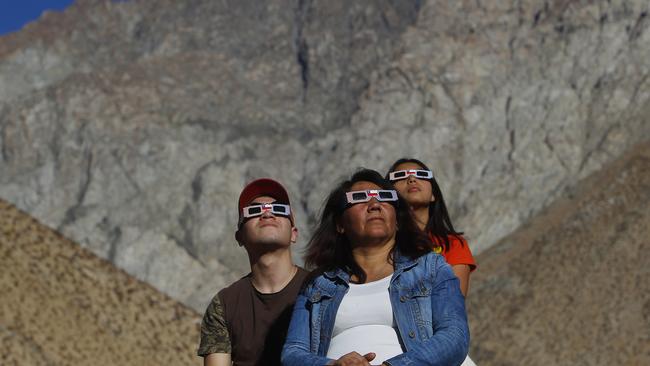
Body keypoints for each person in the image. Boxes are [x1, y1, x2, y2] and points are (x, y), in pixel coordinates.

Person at [282, 169, 469, 366]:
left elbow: (454, 336)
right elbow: (293, 353)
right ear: (340, 224)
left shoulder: (431, 268)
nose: (374, 205)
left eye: (385, 198)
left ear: (397, 220)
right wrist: (333, 365)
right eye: (359, 199)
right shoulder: (318, 283)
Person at [198, 178, 309, 366]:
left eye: (279, 210)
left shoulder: (322, 288)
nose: (267, 215)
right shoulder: (223, 306)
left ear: (294, 233)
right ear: (239, 237)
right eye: (255, 211)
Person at [386, 158, 476, 296]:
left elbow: (452, 305)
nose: (411, 179)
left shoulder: (453, 245)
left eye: (421, 175)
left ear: (433, 194)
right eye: (400, 176)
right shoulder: (381, 243)